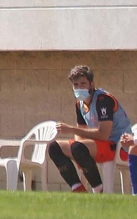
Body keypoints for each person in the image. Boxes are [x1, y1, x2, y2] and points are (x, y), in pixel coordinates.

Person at [49, 65, 130, 193]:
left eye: (83, 84)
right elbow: (80, 134)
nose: (79, 88)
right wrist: (79, 156)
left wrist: (71, 130)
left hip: (117, 145)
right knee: (54, 147)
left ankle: (99, 189)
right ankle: (78, 188)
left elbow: (104, 134)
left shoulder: (103, 100)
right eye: (76, 85)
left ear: (91, 84)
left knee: (78, 148)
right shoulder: (79, 103)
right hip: (99, 144)